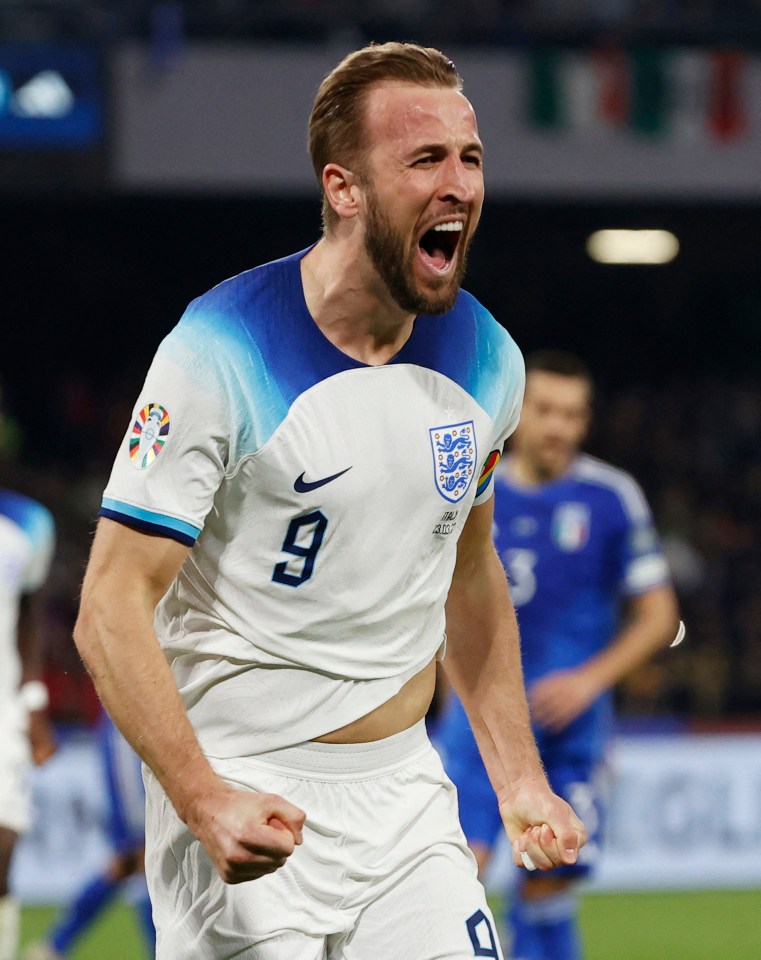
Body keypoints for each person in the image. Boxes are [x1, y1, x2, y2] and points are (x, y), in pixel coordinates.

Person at [73, 42, 587, 960]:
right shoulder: (220, 349)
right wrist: (201, 798)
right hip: (247, 789)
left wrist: (516, 782)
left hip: (404, 797)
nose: (458, 184)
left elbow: (468, 579)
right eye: (424, 159)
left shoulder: (488, 362)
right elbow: (109, 606)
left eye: (469, 159)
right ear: (344, 189)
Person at [435, 349, 681, 960]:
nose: (558, 427)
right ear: (518, 413)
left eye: (572, 414)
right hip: (476, 728)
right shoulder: (467, 490)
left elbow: (660, 616)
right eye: (545, 410)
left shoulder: (611, 498)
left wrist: (588, 681)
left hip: (573, 731)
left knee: (549, 885)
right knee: (456, 879)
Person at [23, 708, 156, 960]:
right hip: (128, 724)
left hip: (149, 720)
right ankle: (54, 946)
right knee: (139, 856)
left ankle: (53, 946)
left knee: (134, 862)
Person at [0, 486, 56, 960]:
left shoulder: (29, 522)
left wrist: (34, 705)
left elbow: (29, 618)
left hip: (4, 710)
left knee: (1, 848)